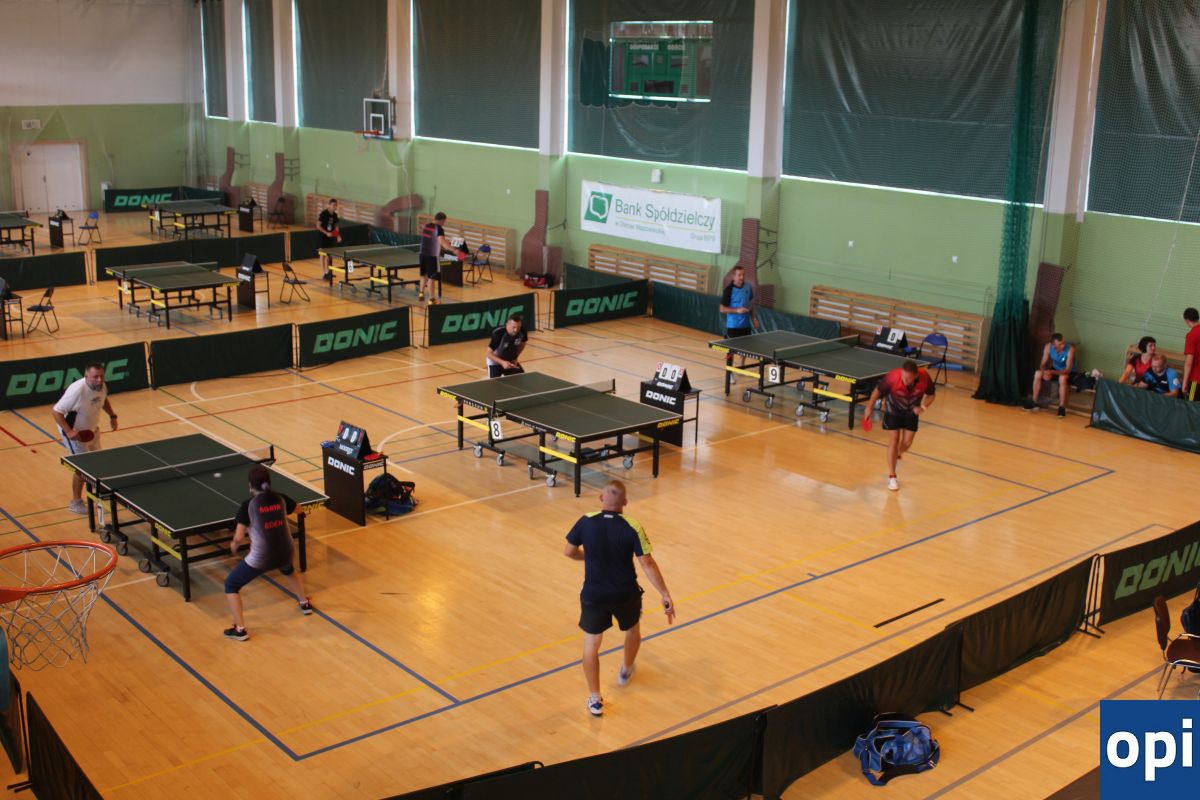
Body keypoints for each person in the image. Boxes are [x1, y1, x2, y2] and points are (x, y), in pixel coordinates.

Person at [564, 480, 674, 717]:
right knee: (632, 630)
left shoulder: (586, 521)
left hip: (594, 594)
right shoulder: (632, 526)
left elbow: (569, 552)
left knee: (591, 645)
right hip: (625, 593)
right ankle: (626, 670)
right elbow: (647, 563)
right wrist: (664, 593)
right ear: (625, 502)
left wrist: (589, 557)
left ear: (600, 498)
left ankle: (595, 698)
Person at [224, 465, 313, 641]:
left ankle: (240, 630)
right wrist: (300, 512)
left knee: (231, 585)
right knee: (288, 569)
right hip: (286, 551)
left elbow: (239, 536)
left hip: (262, 557)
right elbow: (299, 508)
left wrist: (233, 545)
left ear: (251, 485)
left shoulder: (248, 505)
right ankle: (304, 603)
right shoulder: (280, 498)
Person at [52, 362, 118, 514]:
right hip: (76, 434)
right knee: (82, 468)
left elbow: (103, 400)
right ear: (86, 376)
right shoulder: (77, 390)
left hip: (92, 430)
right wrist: (69, 431)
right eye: (95, 377)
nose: (99, 380)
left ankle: (97, 488)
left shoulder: (101, 386)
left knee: (97, 461)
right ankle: (75, 503)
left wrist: (112, 416)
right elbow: (56, 412)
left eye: (101, 376)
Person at [861, 360, 936, 492]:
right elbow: (877, 391)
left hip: (912, 412)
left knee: (907, 443)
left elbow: (932, 394)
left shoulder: (924, 377)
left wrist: (923, 407)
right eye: (903, 376)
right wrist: (869, 407)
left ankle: (898, 453)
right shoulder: (893, 377)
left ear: (915, 376)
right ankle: (892, 477)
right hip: (893, 411)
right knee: (894, 440)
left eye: (908, 378)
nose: (904, 380)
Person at [1023, 333, 1076, 417]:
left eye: (1063, 343)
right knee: (1038, 373)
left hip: (1068, 372)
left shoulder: (1070, 349)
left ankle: (1061, 407)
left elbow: (1068, 369)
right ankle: (1034, 402)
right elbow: (1042, 364)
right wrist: (1044, 372)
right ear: (1053, 345)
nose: (1063, 345)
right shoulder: (1048, 347)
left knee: (1062, 378)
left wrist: (1051, 372)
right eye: (1060, 344)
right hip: (1054, 370)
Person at [419, 212, 455, 304]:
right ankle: (431, 300)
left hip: (422, 254)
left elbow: (432, 240)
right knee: (431, 278)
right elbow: (442, 242)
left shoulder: (426, 226)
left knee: (423, 275)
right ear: (442, 220)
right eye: (444, 221)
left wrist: (442, 245)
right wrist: (453, 249)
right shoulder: (439, 228)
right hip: (432, 256)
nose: (444, 223)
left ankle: (421, 293)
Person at [719, 266, 758, 338]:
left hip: (746, 327)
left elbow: (751, 304)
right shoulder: (728, 290)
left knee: (746, 345)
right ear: (733, 276)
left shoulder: (748, 286)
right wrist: (737, 310)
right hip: (733, 327)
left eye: (743, 275)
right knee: (731, 346)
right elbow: (722, 309)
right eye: (739, 275)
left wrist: (754, 318)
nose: (742, 277)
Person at [485, 313, 528, 378]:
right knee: (495, 383)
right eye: (513, 327)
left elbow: (522, 344)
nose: (516, 330)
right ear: (507, 324)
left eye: (518, 327)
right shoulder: (499, 333)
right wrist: (502, 362)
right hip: (495, 362)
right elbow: (488, 354)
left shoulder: (522, 331)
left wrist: (515, 358)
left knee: (521, 379)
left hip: (510, 361)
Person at [318, 198, 342, 281]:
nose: (335, 207)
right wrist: (326, 233)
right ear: (329, 205)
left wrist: (338, 235)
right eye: (333, 205)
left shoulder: (335, 215)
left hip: (330, 237)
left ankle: (328, 272)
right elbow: (318, 226)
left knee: (329, 255)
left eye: (336, 205)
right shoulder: (324, 214)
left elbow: (336, 226)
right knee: (322, 255)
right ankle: (323, 273)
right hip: (322, 236)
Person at [1183, 308, 1200, 401]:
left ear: (1186, 320)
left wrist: (1184, 382)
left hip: (1196, 379)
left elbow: (1188, 363)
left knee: (1192, 407)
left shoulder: (1192, 335)